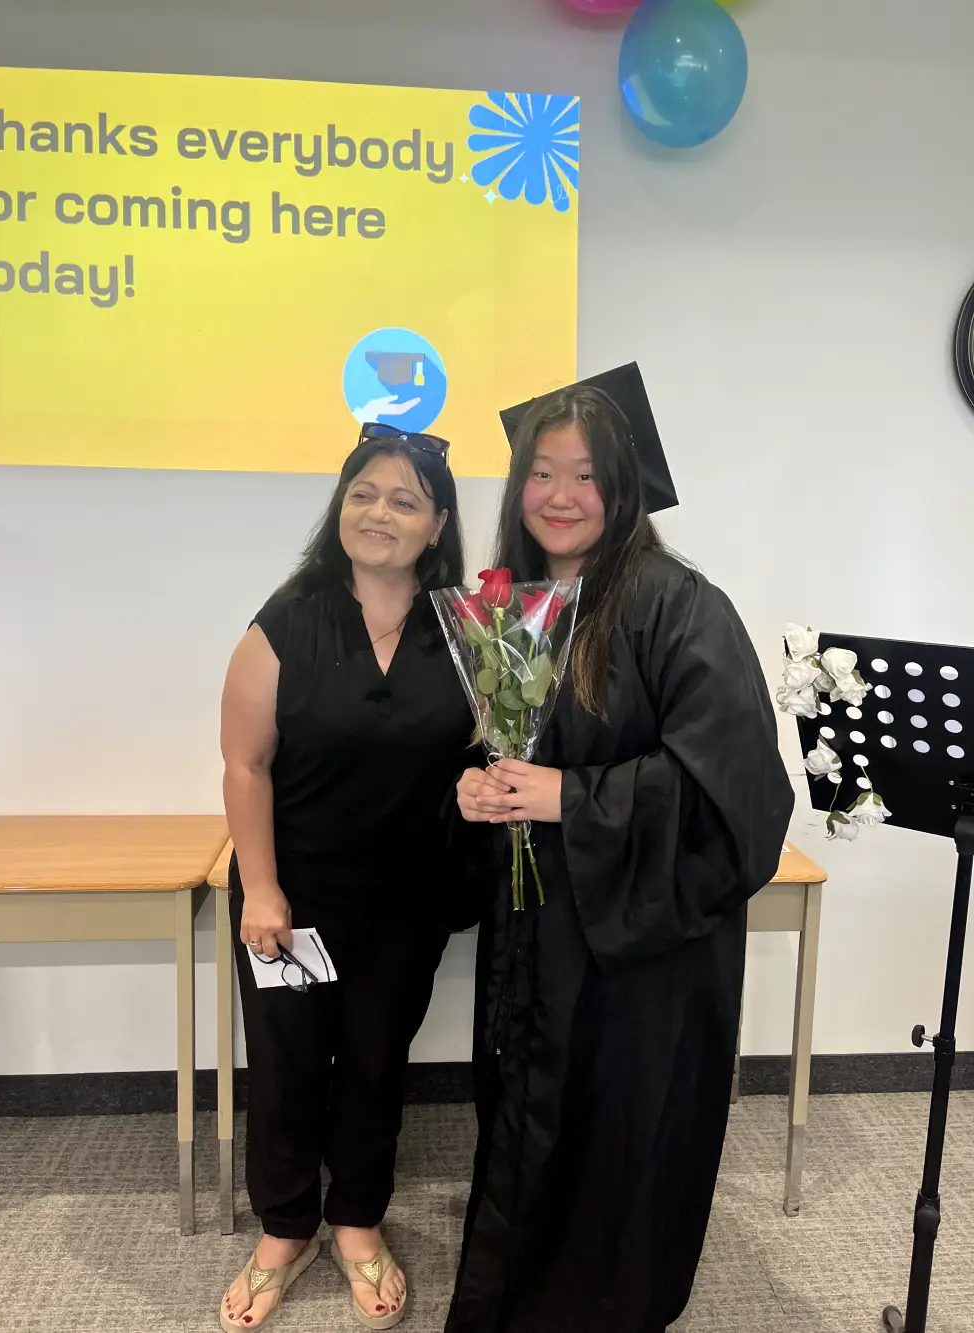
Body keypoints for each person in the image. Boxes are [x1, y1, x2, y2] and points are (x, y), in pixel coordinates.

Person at [446, 366, 794, 1333]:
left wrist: (573, 797)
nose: (561, 495)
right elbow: (498, 749)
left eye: (587, 475)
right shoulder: (508, 607)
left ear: (624, 486)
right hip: (539, 931)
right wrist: (476, 787)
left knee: (622, 1136)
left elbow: (739, 791)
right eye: (542, 473)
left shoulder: (682, 605)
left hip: (643, 950)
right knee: (527, 1125)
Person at [219, 423, 479, 1333]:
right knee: (286, 1066)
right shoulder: (287, 619)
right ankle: (285, 1228)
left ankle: (357, 1217)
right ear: (340, 507)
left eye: (404, 500)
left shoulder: (468, 632)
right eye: (363, 493)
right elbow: (245, 764)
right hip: (291, 900)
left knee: (375, 1062)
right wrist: (261, 888)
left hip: (406, 903)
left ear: (437, 524)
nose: (379, 512)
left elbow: (486, 751)